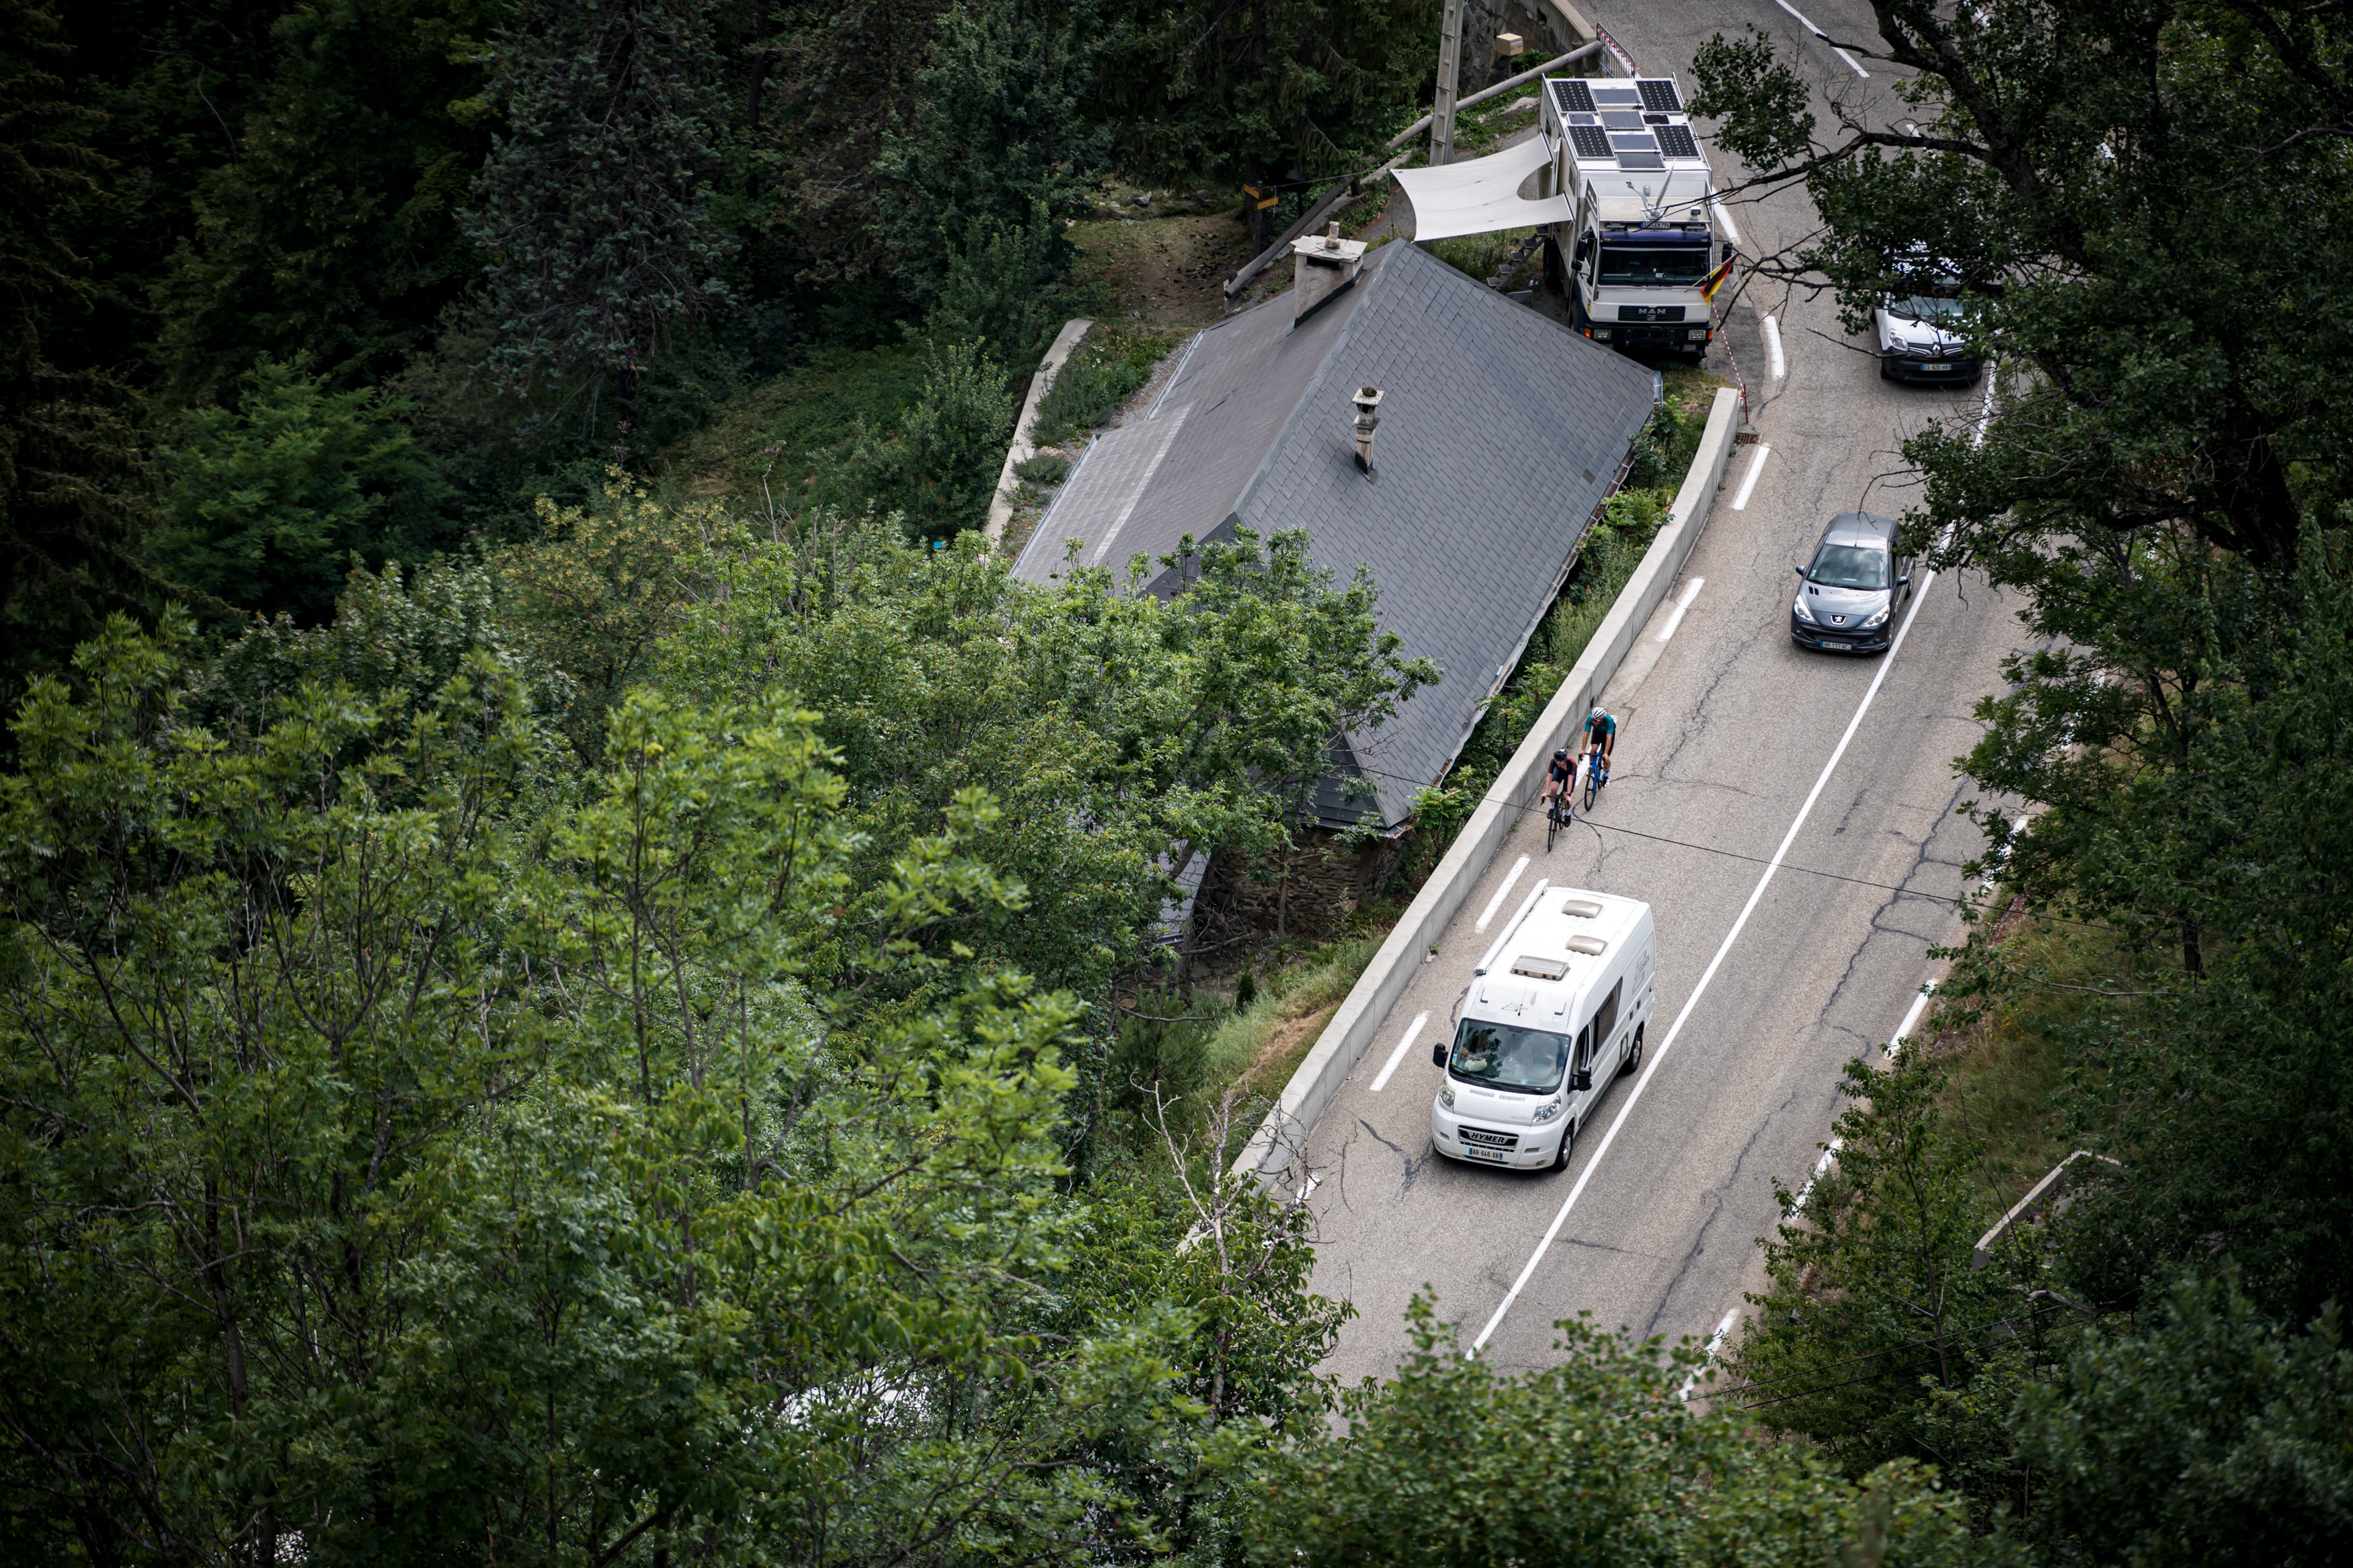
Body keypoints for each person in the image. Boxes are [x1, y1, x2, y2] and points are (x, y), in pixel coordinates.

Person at [1582, 706, 1617, 786]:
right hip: (1597, 732)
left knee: (1606, 758)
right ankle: (1591, 766)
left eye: (1595, 720)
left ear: (1602, 720)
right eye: (1592, 719)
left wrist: (1605, 753)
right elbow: (1586, 734)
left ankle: (1607, 775)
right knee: (1593, 749)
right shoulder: (1590, 719)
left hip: (1607, 736)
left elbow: (1609, 738)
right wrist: (1583, 749)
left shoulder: (1609, 722)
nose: (1593, 721)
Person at [1543, 746, 1576, 815]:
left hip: (1569, 775)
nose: (1558, 762)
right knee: (1554, 788)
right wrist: (1545, 792)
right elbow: (1549, 777)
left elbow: (1570, 780)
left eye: (1560, 761)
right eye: (1556, 760)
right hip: (1559, 772)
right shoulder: (1553, 761)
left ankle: (1568, 814)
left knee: (1565, 797)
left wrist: (1568, 796)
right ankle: (1552, 808)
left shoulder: (1572, 763)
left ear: (1565, 760)